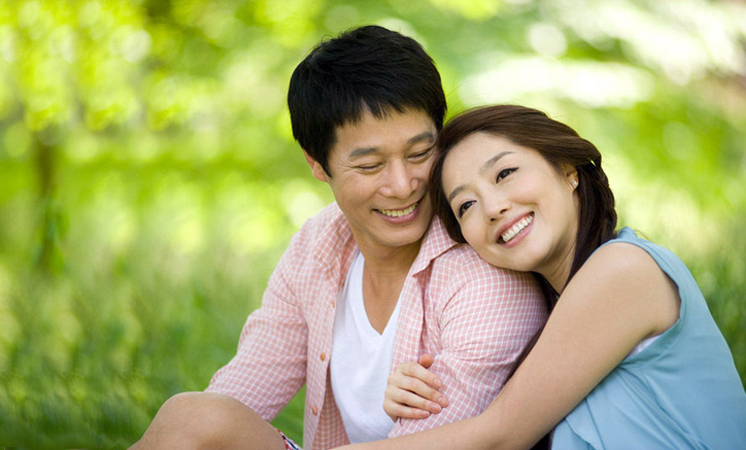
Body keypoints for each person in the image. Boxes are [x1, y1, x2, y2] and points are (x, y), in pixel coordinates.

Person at [129, 30, 547, 450]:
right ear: (317, 164)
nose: (403, 185)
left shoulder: (483, 273)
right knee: (192, 416)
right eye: (370, 166)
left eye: (420, 154)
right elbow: (238, 394)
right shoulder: (320, 244)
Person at [337, 104, 746, 450]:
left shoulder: (624, 270)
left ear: (567, 168)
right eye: (466, 205)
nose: (493, 207)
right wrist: (415, 392)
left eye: (504, 174)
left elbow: (500, 436)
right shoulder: (546, 318)